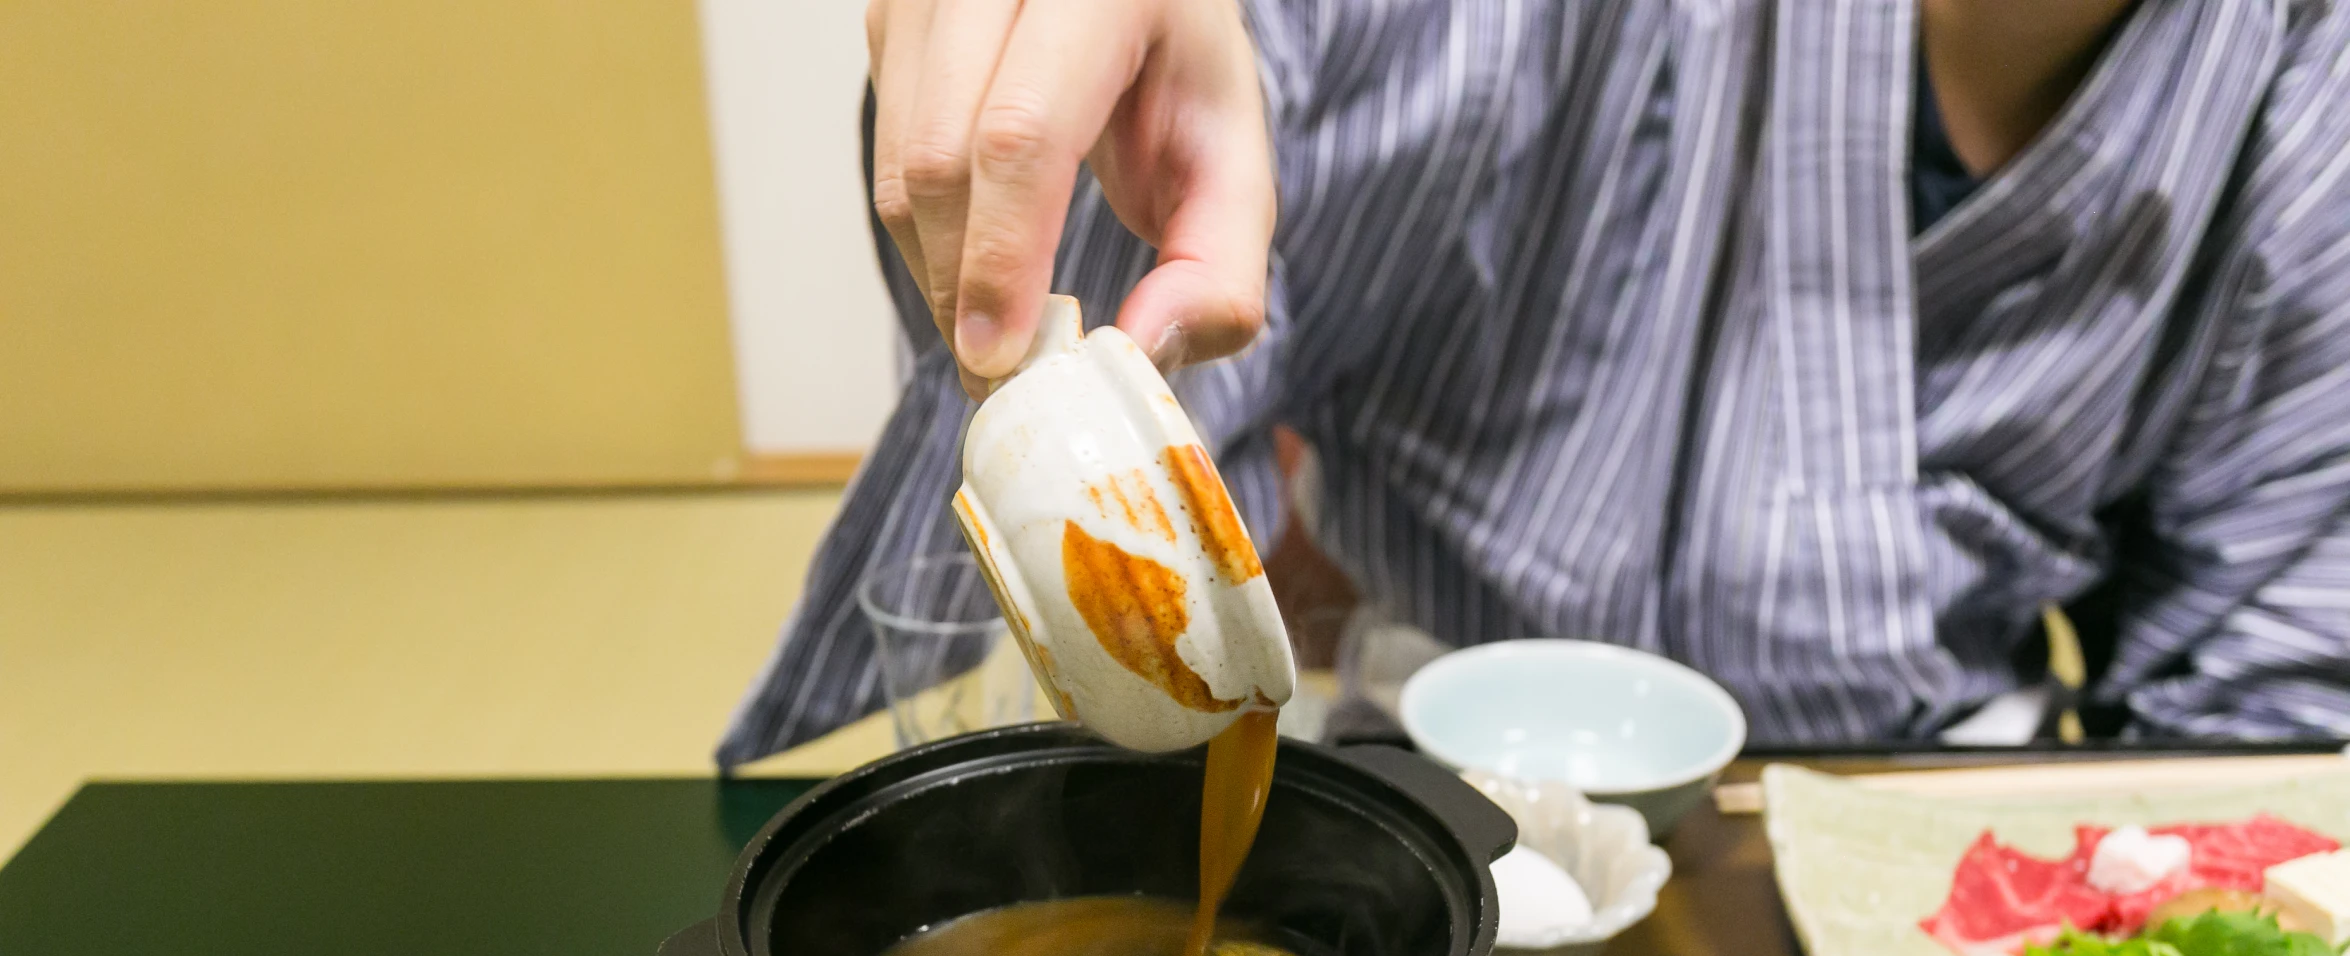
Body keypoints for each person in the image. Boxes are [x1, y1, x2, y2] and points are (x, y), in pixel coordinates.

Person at [718, 0, 2350, 765]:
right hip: (1408, 768)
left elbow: (2263, 738)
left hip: (1903, 867)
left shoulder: (2302, 94)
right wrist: (1069, 80)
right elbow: (1213, 130)